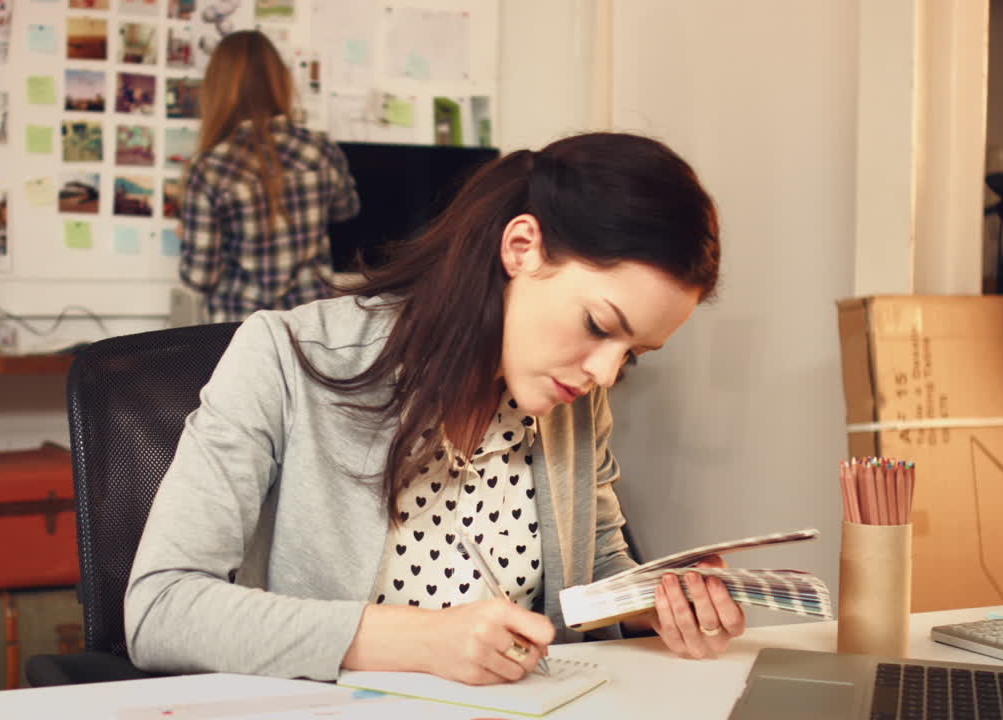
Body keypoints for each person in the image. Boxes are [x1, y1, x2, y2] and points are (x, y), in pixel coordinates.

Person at [128, 131, 744, 685]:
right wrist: (421, 642)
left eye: (632, 353)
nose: (605, 373)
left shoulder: (573, 400)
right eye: (599, 326)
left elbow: (596, 560)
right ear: (522, 247)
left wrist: (655, 602)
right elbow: (162, 607)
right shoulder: (284, 355)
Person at [178, 30, 359, 322]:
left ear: (216, 90)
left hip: (240, 329)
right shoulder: (321, 148)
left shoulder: (210, 167)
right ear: (279, 82)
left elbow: (200, 277)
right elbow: (346, 210)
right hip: (309, 325)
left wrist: (189, 233)